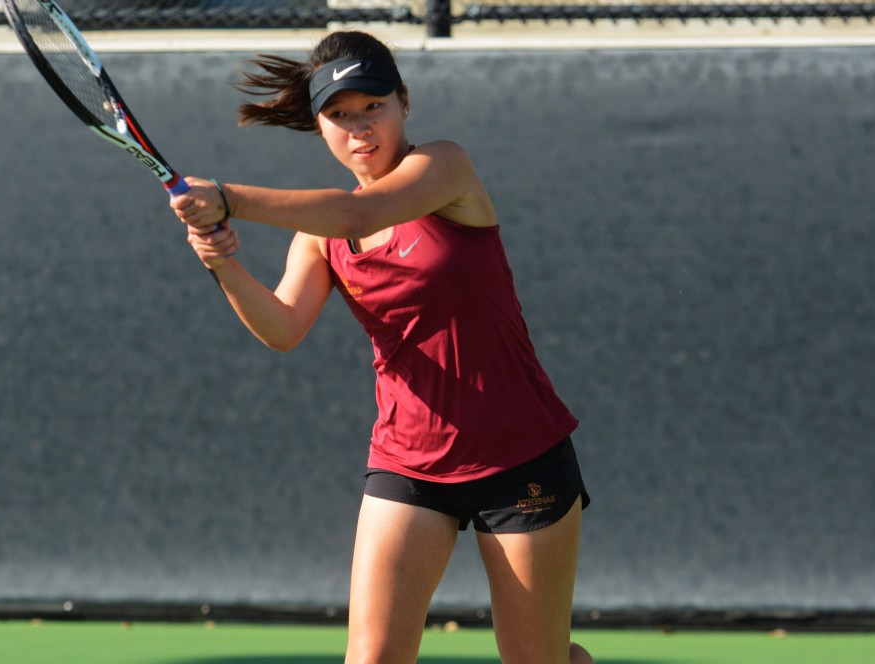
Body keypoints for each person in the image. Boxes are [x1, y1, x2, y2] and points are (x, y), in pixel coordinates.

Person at [170, 30, 593, 664]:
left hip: (519, 457)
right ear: (320, 128)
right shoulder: (318, 238)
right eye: (340, 115)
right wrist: (222, 264)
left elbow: (355, 216)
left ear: (404, 102)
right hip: (408, 461)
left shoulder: (444, 167)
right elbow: (283, 328)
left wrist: (230, 198)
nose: (360, 126)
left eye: (374, 106)